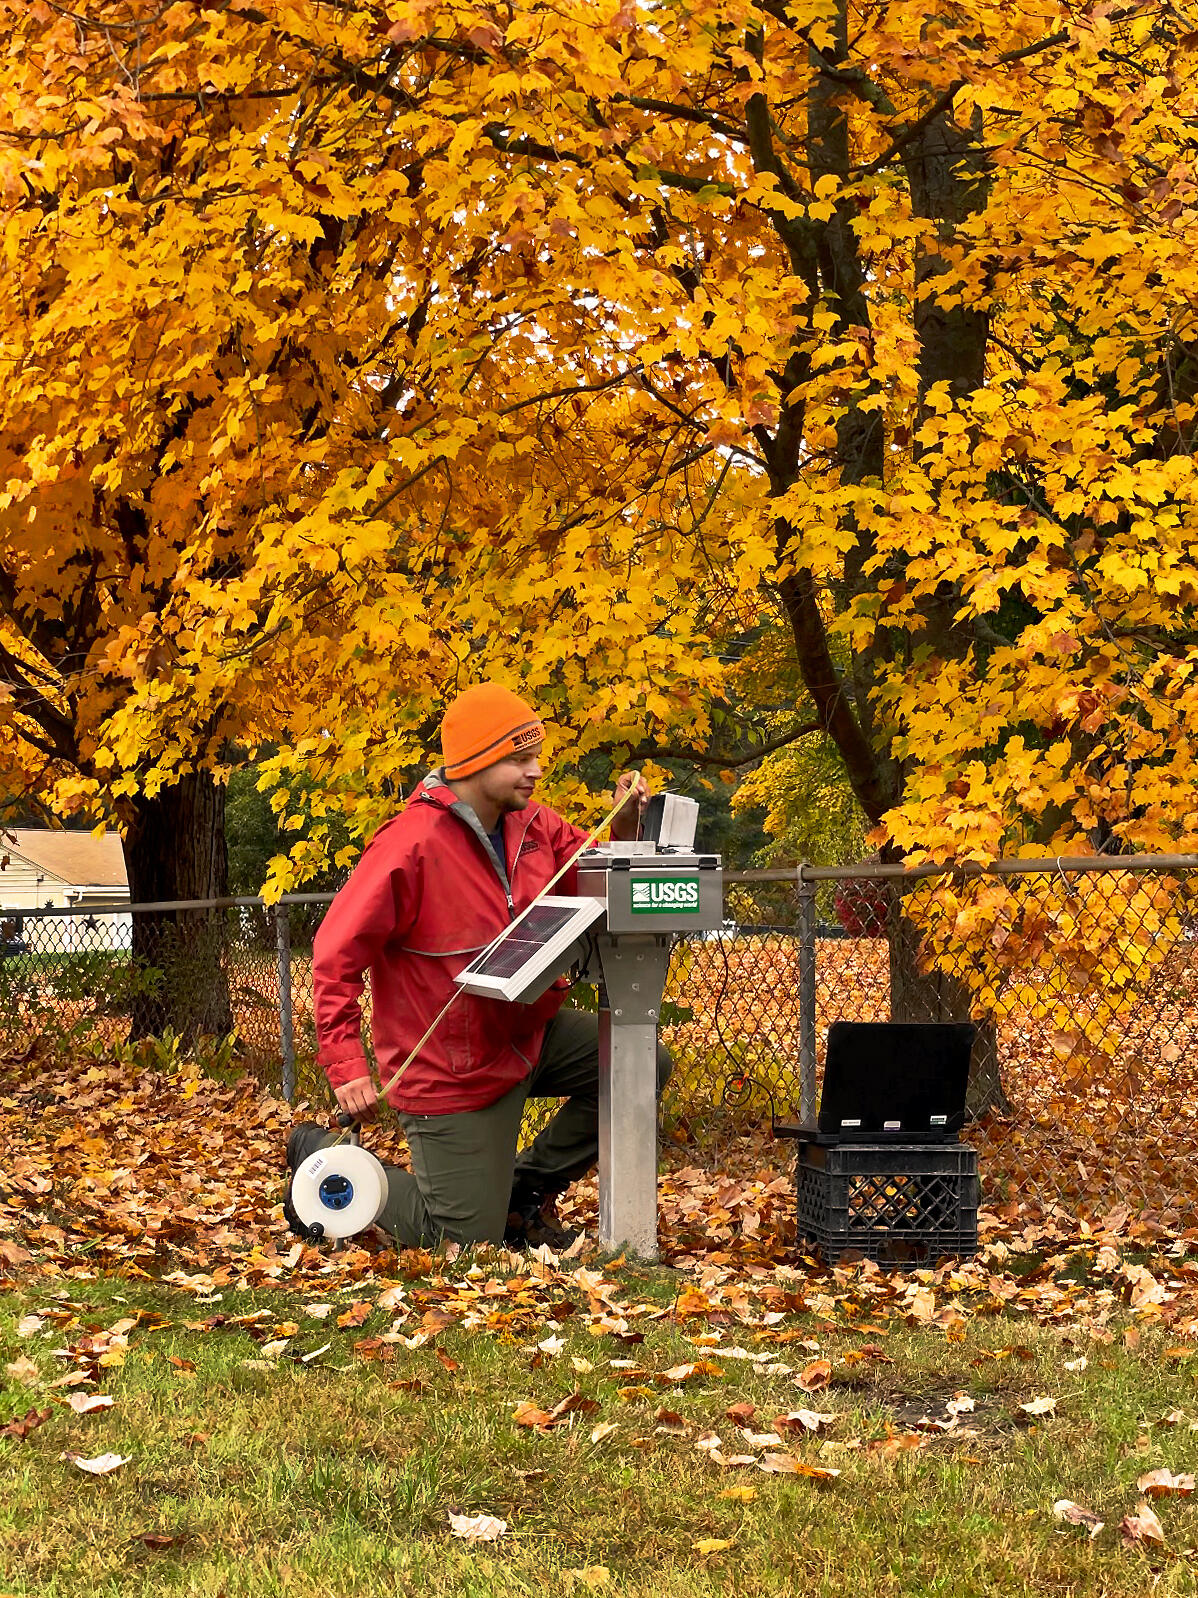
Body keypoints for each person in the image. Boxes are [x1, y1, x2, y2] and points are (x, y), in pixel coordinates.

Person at [284, 682, 672, 1251]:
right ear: (475, 762)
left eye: (535, 756)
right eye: (519, 758)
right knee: (462, 1241)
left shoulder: (537, 827)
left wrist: (627, 826)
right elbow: (335, 953)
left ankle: (519, 1191)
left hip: (528, 1034)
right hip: (451, 1064)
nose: (534, 770)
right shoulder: (408, 844)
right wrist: (346, 1063)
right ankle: (323, 1160)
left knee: (641, 1064)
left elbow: (597, 875)